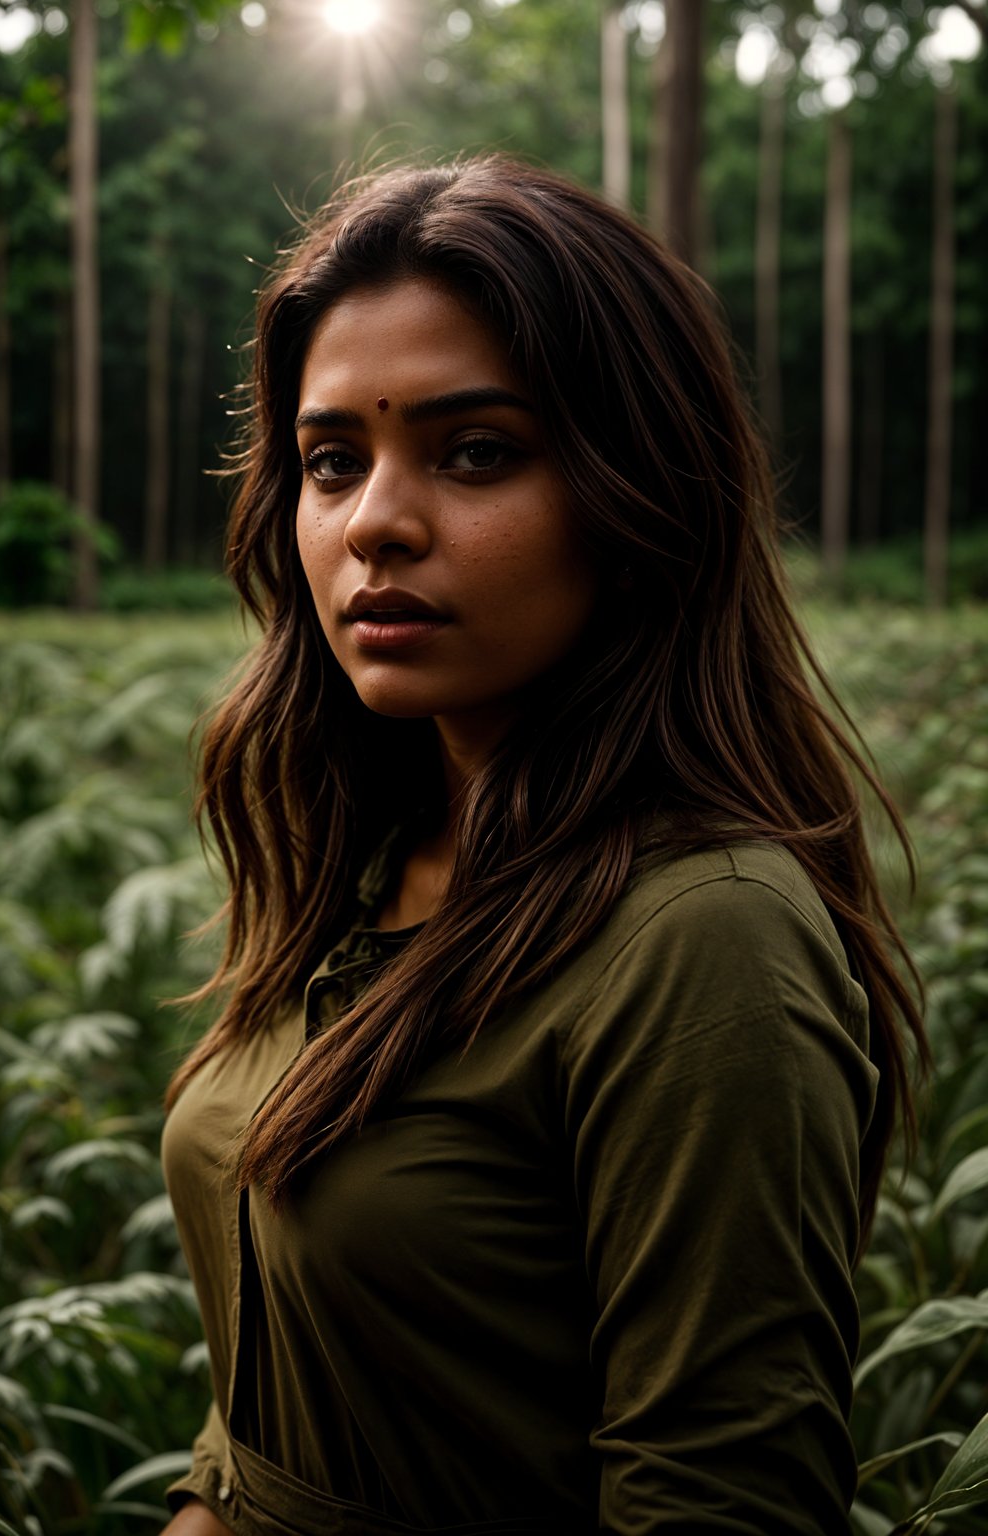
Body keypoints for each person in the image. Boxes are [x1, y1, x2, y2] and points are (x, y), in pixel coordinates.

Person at [158, 156, 927, 1536]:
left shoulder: (705, 937)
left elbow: (717, 1505)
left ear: (638, 499)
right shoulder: (362, 862)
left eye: (476, 453)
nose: (375, 523)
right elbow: (258, 1447)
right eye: (333, 461)